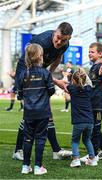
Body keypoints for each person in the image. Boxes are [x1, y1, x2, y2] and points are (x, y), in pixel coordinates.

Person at [12, 22, 73, 161]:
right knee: (33, 113)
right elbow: (30, 65)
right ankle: (18, 150)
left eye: (64, 40)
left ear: (69, 38)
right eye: (58, 38)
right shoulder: (41, 42)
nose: (59, 42)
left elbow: (57, 59)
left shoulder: (65, 44)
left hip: (40, 72)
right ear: (54, 33)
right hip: (27, 73)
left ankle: (55, 150)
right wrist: (54, 80)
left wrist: (49, 74)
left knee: (44, 112)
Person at [19, 44, 55, 175]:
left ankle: (25, 166)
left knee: (27, 139)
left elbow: (20, 94)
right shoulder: (45, 73)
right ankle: (38, 167)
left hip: (28, 112)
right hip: (43, 112)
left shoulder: (22, 74)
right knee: (40, 139)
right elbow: (51, 90)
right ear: (40, 56)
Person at [67, 68, 98, 167]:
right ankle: (93, 159)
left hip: (78, 122)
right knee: (87, 140)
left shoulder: (72, 89)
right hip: (89, 121)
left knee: (75, 141)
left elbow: (66, 85)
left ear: (74, 80)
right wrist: (82, 73)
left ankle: (76, 159)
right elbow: (88, 81)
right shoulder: (88, 89)